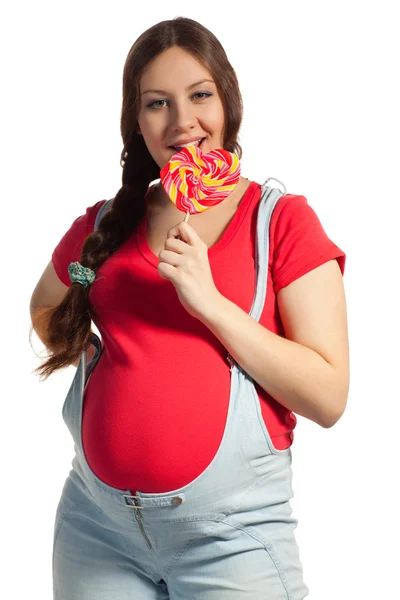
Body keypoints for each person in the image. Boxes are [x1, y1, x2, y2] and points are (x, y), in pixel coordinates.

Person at [30, 16, 349, 600]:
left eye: (199, 95)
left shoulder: (280, 222)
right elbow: (51, 303)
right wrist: (85, 276)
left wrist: (211, 305)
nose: (182, 122)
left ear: (227, 99)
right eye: (157, 103)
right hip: (95, 532)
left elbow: (329, 398)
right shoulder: (108, 222)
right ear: (136, 121)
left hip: (232, 540)